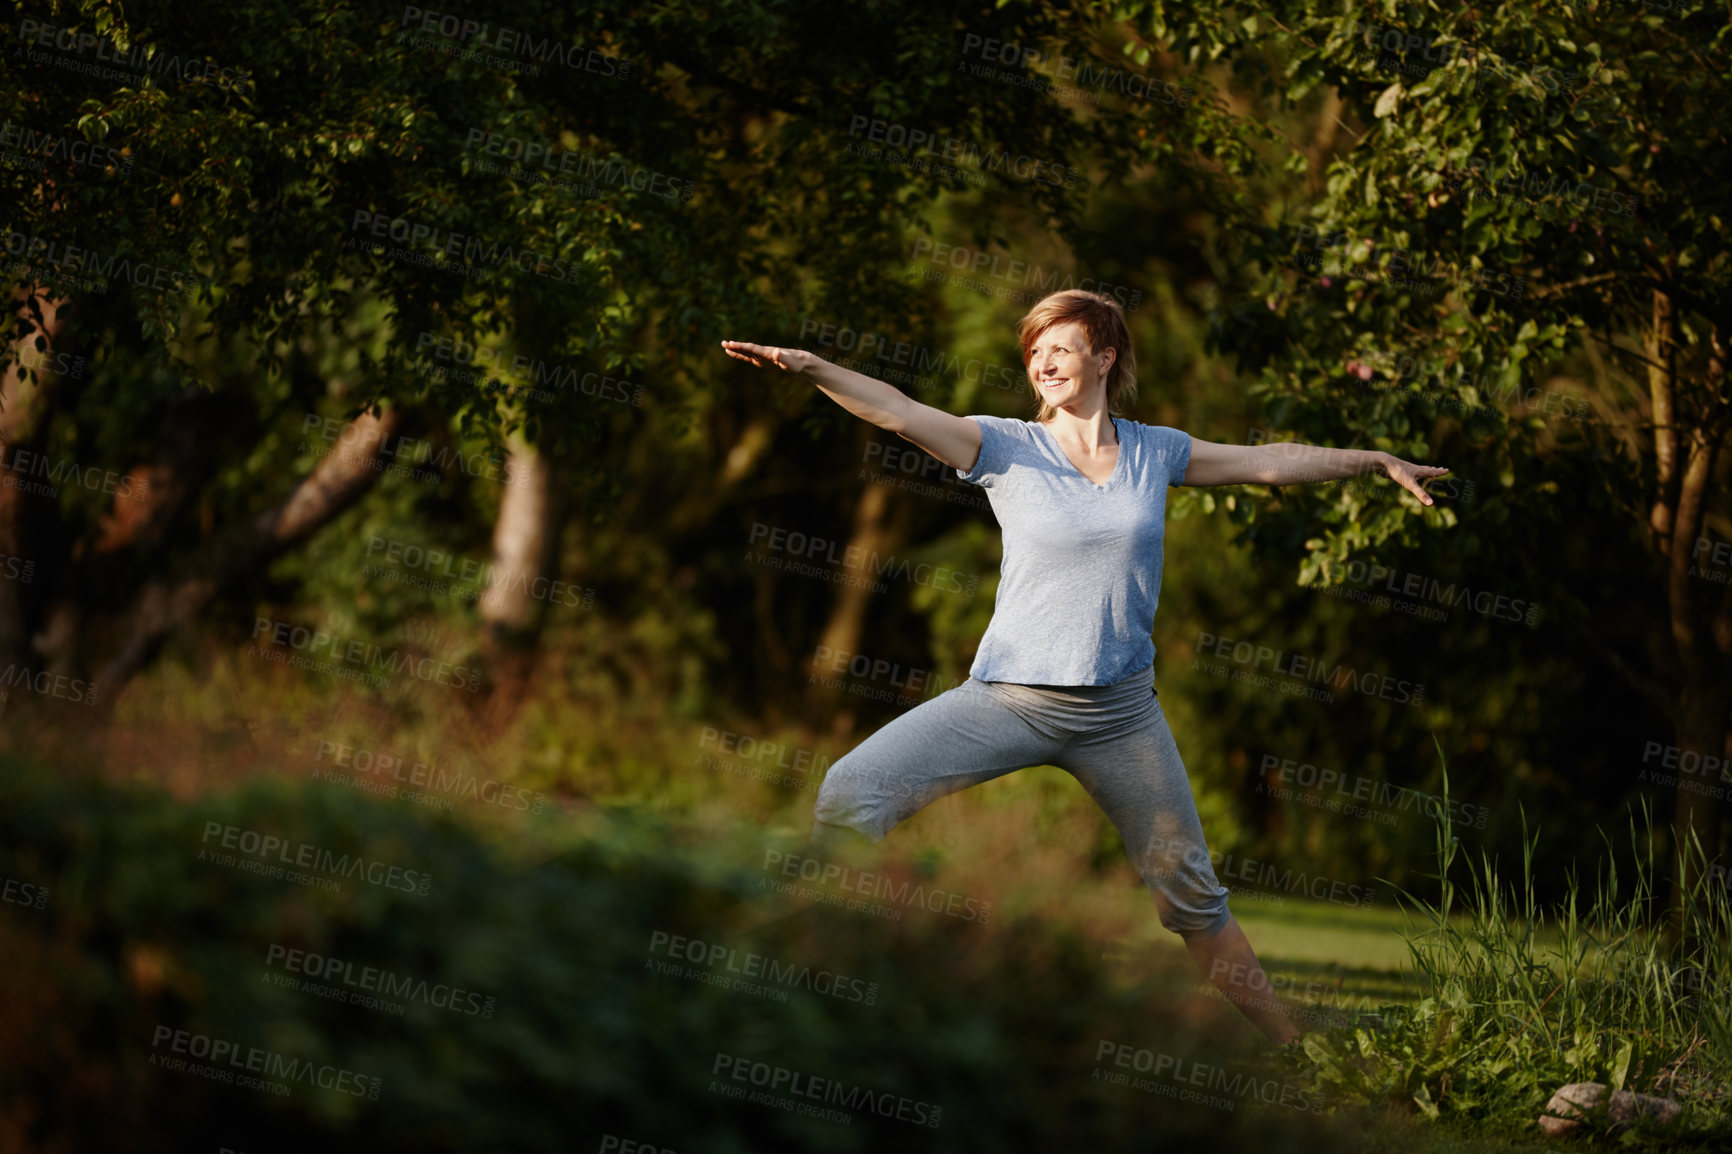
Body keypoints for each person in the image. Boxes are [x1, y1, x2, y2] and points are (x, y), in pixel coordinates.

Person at [720, 289, 1448, 1046]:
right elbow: (898, 410)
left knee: (1192, 898)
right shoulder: (1002, 445)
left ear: (1104, 357)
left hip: (1121, 717)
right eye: (1034, 351)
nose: (1043, 362)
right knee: (850, 790)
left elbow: (1264, 462)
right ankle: (802, 989)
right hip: (1006, 700)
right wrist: (812, 367)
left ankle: (1298, 1054)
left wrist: (1373, 460)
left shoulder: (1155, 451)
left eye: (1060, 347)